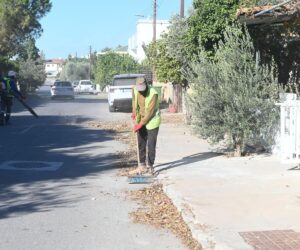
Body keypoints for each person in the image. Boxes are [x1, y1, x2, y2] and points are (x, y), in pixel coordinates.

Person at [129, 77, 161, 176]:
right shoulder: (134, 89)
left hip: (152, 120)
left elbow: (150, 112)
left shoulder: (153, 93)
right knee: (141, 143)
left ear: (146, 85)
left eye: (143, 89)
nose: (141, 92)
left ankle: (150, 166)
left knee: (151, 144)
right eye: (139, 90)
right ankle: (142, 166)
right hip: (140, 119)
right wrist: (134, 112)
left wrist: (140, 124)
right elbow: (134, 100)